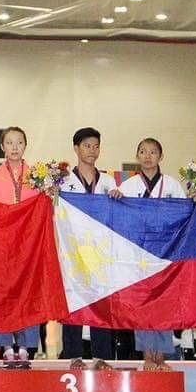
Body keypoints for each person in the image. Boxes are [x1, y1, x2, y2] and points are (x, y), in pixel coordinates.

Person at [115, 137, 195, 372]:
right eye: (143, 151)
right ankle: (148, 357)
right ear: (137, 156)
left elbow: (183, 215)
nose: (147, 156)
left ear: (161, 156)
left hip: (165, 255)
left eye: (153, 151)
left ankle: (161, 356)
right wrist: (115, 198)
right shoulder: (128, 186)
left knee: (163, 305)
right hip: (139, 254)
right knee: (144, 305)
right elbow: (117, 215)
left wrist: (191, 202)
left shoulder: (172, 185)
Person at [58, 127, 119, 371]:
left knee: (101, 302)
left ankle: (101, 357)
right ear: (76, 148)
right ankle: (73, 356)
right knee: (73, 301)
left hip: (100, 253)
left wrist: (118, 198)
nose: (92, 150)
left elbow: (117, 215)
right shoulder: (63, 180)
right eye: (87, 146)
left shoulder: (108, 182)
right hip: (71, 251)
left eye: (96, 146)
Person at [0, 127, 43, 368]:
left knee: (29, 293)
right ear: (2, 147)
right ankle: (6, 345)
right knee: (2, 294)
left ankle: (26, 346)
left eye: (19, 142)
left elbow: (45, 208)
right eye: (9, 142)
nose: (15, 147)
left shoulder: (38, 175)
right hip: (2, 243)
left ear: (25, 145)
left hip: (29, 244)